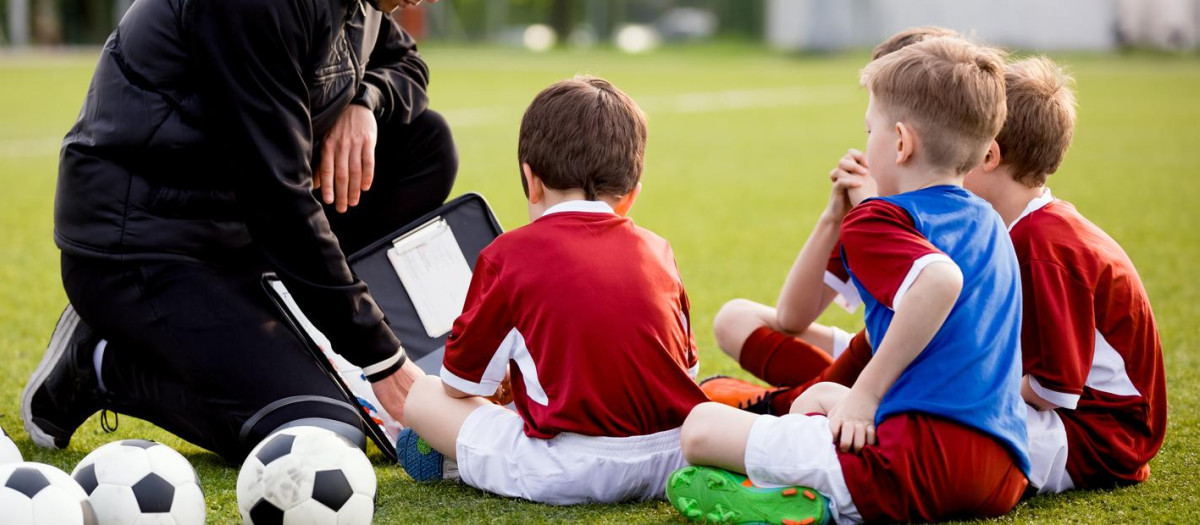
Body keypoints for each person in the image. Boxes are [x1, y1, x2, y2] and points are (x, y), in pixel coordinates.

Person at [22, 0, 452, 462]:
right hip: (146, 245)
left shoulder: (366, 5)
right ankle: (102, 360)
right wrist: (384, 360)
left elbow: (407, 63)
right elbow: (278, 200)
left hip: (241, 231)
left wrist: (366, 101)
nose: (420, 1)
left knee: (424, 145)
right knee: (322, 432)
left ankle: (307, 323)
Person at [667, 37, 1029, 523]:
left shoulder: (881, 217)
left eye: (869, 130)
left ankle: (802, 499)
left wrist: (866, 395)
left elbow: (939, 281)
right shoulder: (989, 221)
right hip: (1000, 472)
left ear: (900, 142)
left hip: (914, 463)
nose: (865, 143)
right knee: (816, 399)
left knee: (701, 428)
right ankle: (803, 471)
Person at [396, 76, 708, 505]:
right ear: (632, 195)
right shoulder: (659, 250)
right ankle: (460, 461)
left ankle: (454, 462)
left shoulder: (508, 255)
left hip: (572, 472)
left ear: (531, 179)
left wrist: (504, 381)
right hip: (673, 457)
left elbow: (457, 386)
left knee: (423, 396)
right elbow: (685, 373)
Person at [699, 26, 963, 416]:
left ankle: (786, 404)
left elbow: (927, 306)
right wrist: (835, 216)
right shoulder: (876, 193)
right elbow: (792, 317)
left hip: (929, 363)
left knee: (717, 427)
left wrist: (877, 210)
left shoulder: (959, 199)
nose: (867, 141)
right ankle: (813, 396)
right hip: (875, 349)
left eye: (875, 128)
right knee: (734, 318)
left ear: (907, 136)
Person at [963, 57, 1166, 494]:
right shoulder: (1034, 227)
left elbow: (1053, 389)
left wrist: (968, 384)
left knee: (942, 429)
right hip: (1085, 423)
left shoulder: (1041, 246)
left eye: (960, 144)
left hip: (1100, 437)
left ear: (988, 155)